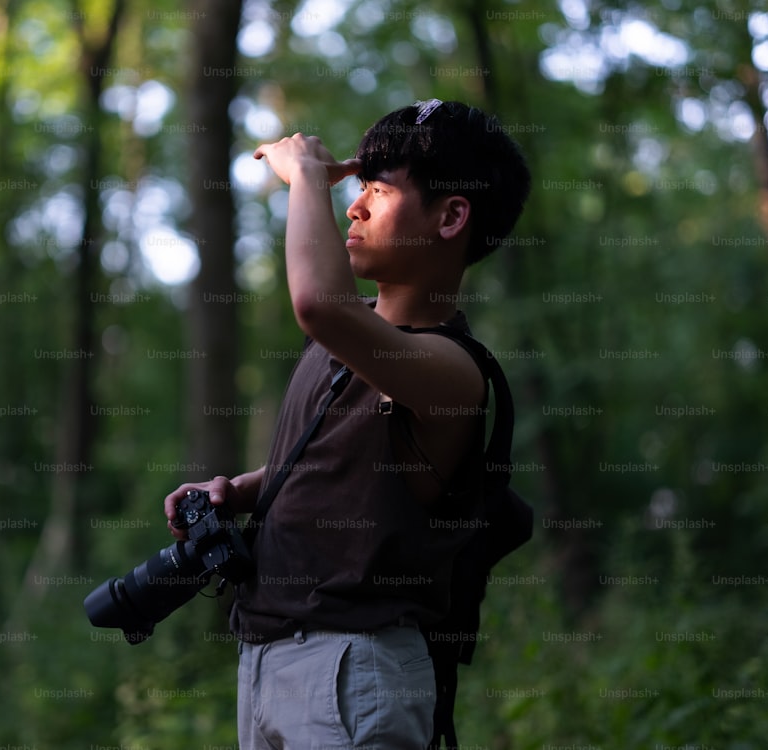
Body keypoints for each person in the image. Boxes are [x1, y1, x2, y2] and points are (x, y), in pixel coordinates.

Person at [164, 100, 531, 750]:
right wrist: (244, 491)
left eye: (379, 190)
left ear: (451, 217)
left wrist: (306, 176)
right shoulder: (345, 340)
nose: (354, 206)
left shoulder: (452, 369)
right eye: (357, 187)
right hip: (269, 654)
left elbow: (316, 302)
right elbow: (343, 458)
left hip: (354, 667)